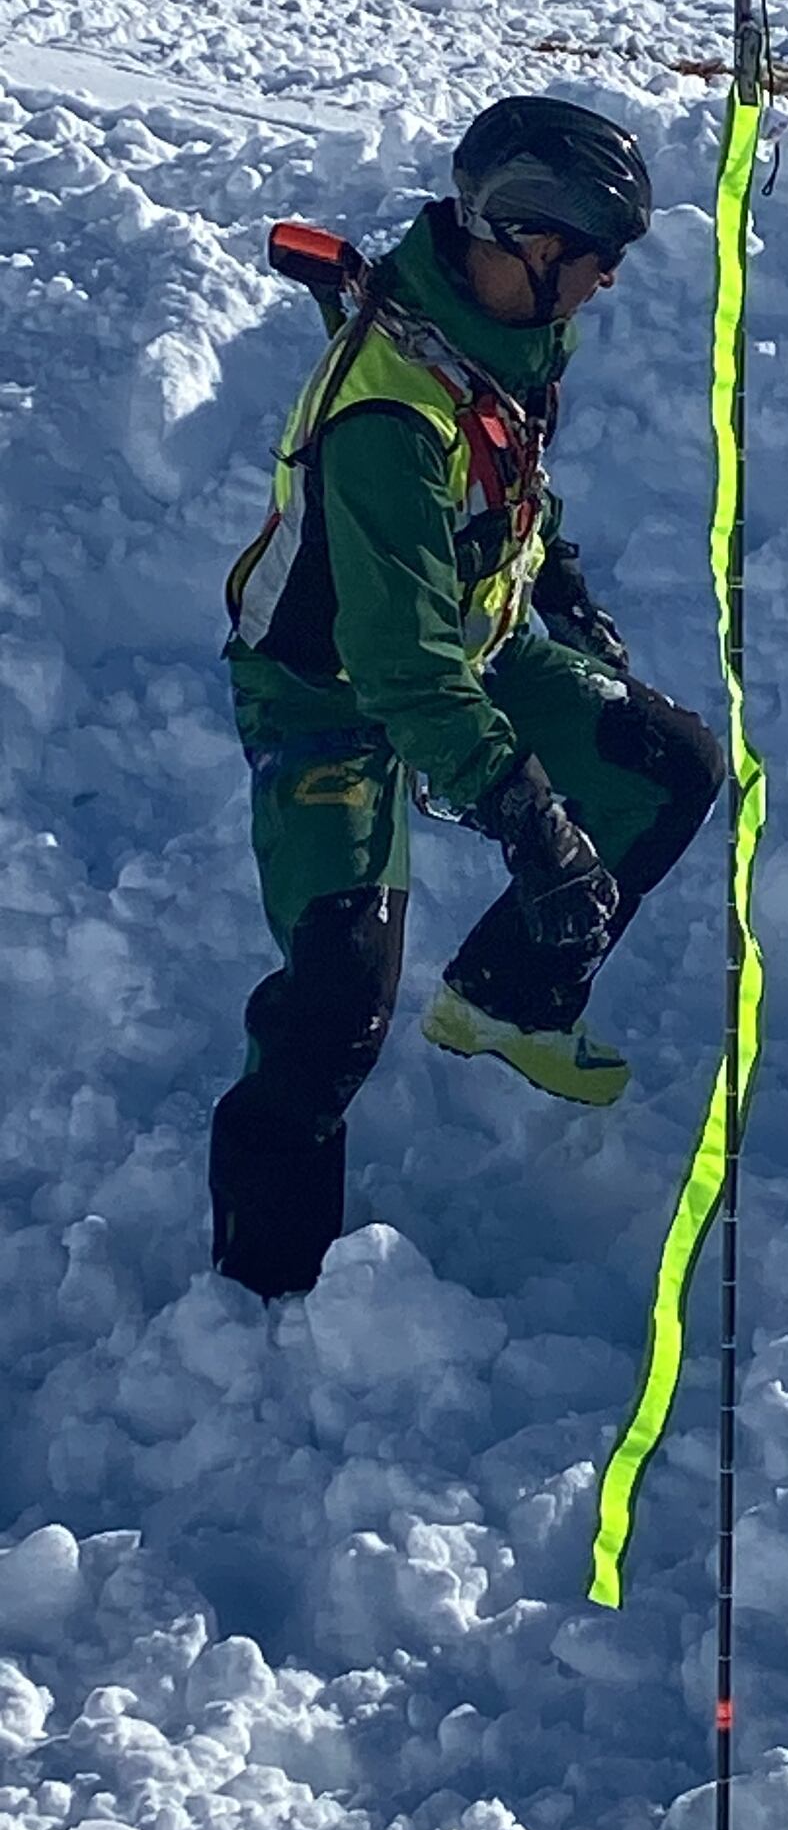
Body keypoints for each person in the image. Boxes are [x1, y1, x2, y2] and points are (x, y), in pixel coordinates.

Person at [210, 95, 724, 1303]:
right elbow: (401, 674)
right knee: (337, 992)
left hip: (467, 643)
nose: (605, 285)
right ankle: (259, 1296)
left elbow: (506, 483)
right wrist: (528, 816)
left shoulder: (500, 332)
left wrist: (563, 594)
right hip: (326, 690)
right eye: (597, 261)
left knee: (667, 767)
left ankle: (505, 1003)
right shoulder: (385, 416)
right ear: (529, 244)